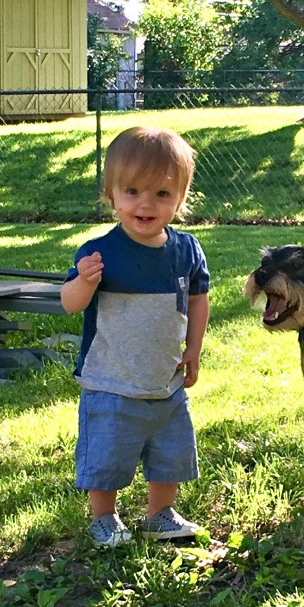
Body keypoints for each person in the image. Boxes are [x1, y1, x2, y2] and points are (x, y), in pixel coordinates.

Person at [61, 126, 210, 547]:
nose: (146, 203)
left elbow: (199, 299)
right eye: (132, 192)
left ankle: (159, 513)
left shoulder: (186, 250)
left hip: (165, 378)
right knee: (108, 451)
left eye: (162, 194)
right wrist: (85, 283)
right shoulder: (99, 252)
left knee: (169, 451)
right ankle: (104, 518)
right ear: (111, 196)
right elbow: (70, 303)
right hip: (111, 379)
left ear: (180, 199)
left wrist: (194, 347)